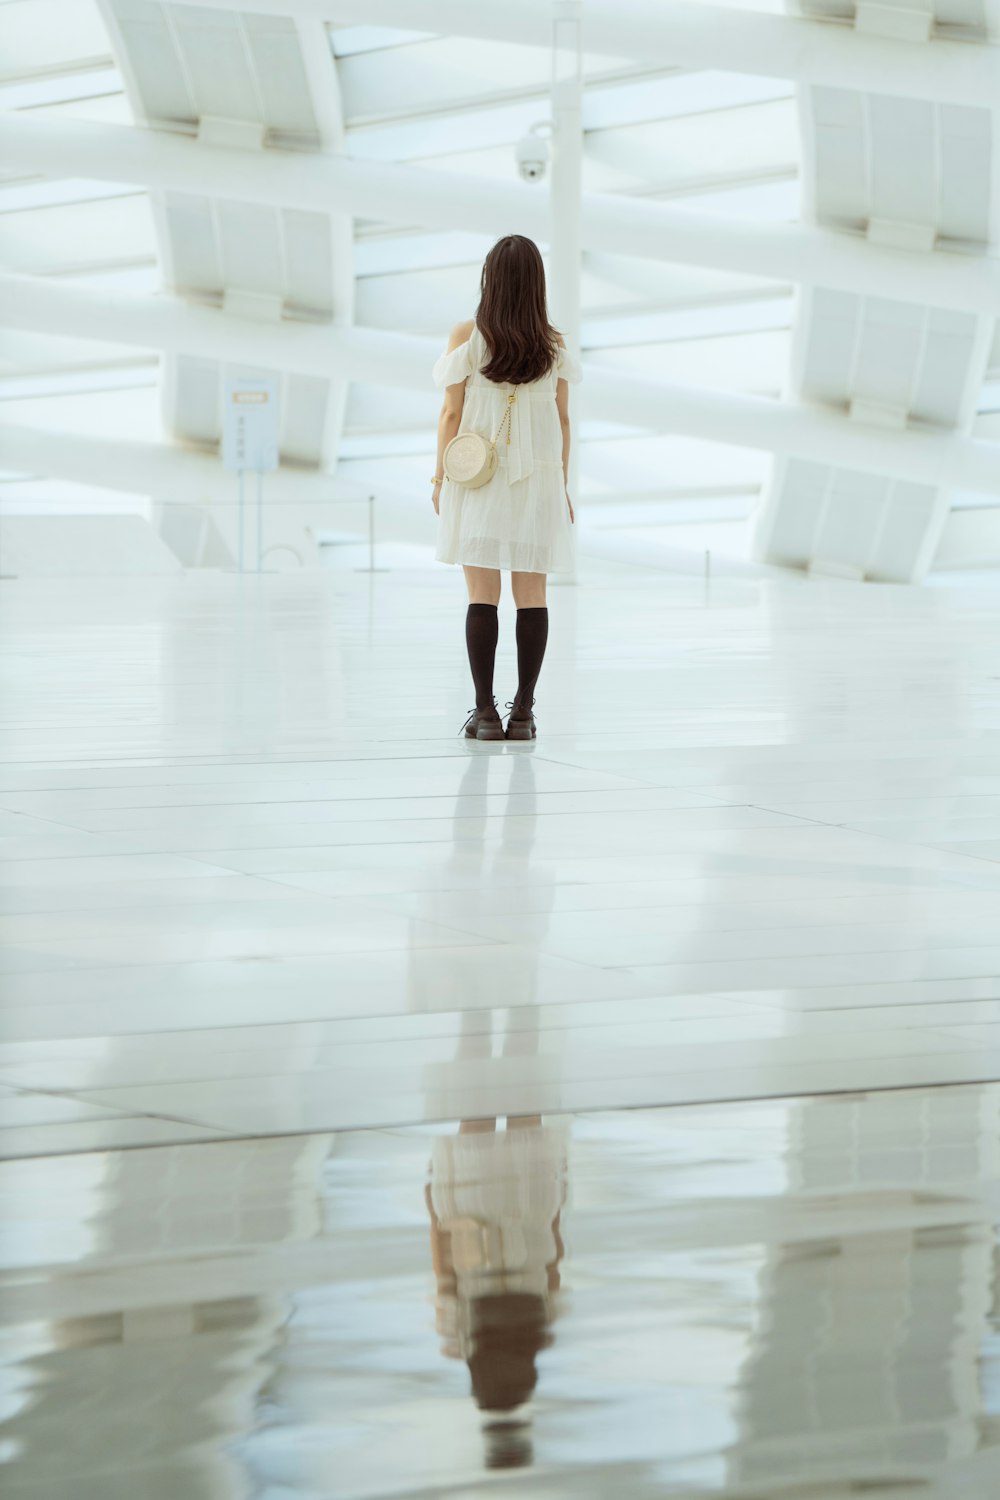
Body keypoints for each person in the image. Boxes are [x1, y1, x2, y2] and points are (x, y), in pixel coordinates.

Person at [431, 234, 582, 742]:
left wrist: (439, 477)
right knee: (533, 595)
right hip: (536, 481)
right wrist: (560, 488)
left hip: (481, 482)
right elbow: (562, 421)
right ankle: (523, 713)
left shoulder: (468, 338)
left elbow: (451, 412)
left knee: (482, 594)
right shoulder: (554, 347)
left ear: (490, 280)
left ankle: (485, 714)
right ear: (536, 284)